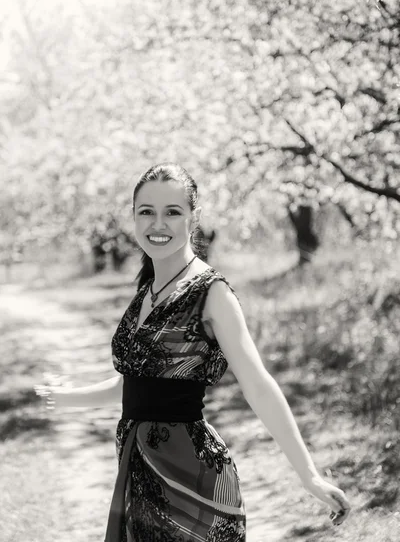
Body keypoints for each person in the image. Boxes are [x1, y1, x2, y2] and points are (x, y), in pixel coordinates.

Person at [35, 162, 351, 541]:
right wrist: (63, 400)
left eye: (173, 212)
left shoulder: (210, 293)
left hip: (191, 479)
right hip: (140, 471)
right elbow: (142, 386)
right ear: (133, 218)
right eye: (146, 212)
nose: (158, 224)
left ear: (194, 217)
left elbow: (258, 385)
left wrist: (310, 476)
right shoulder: (148, 293)